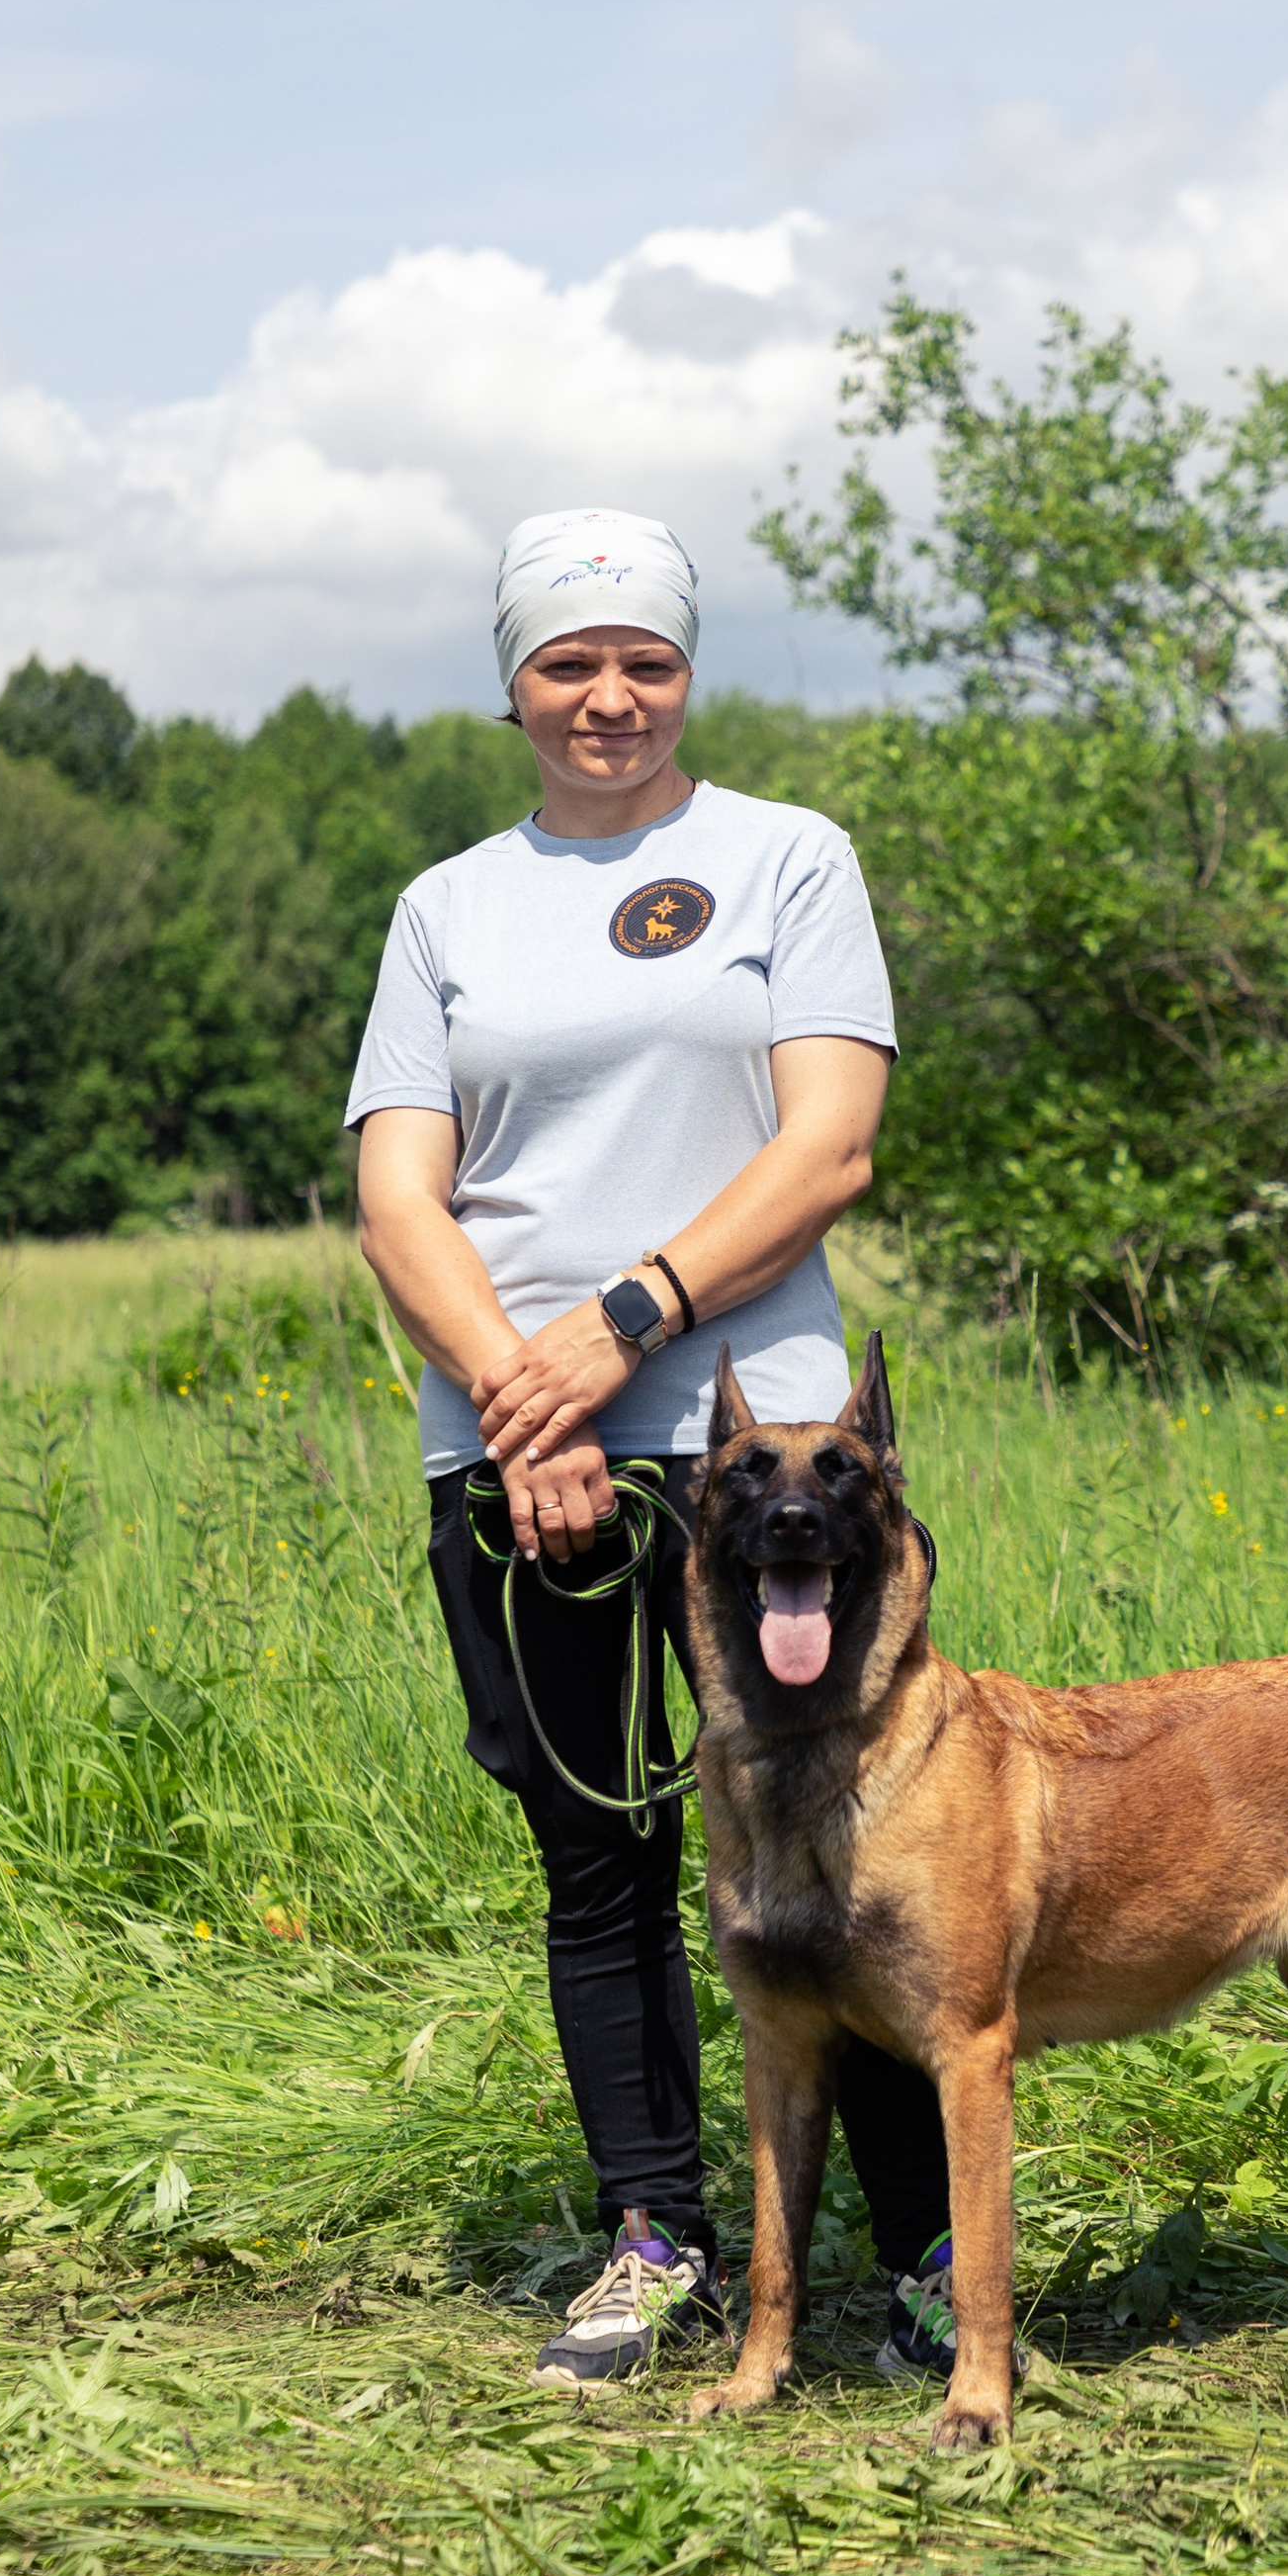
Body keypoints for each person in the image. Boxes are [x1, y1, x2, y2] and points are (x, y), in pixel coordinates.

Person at [349, 509, 956, 2387]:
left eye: (646, 660)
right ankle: (658, 2242)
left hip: (769, 1463)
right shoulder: (450, 903)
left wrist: (620, 1327)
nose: (609, 695)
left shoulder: (789, 859)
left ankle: (928, 2257)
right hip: (518, 1456)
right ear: (513, 681)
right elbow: (399, 1190)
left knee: (849, 1847)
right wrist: (524, 1400)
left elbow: (826, 1144)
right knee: (600, 1859)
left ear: (687, 671)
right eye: (568, 661)